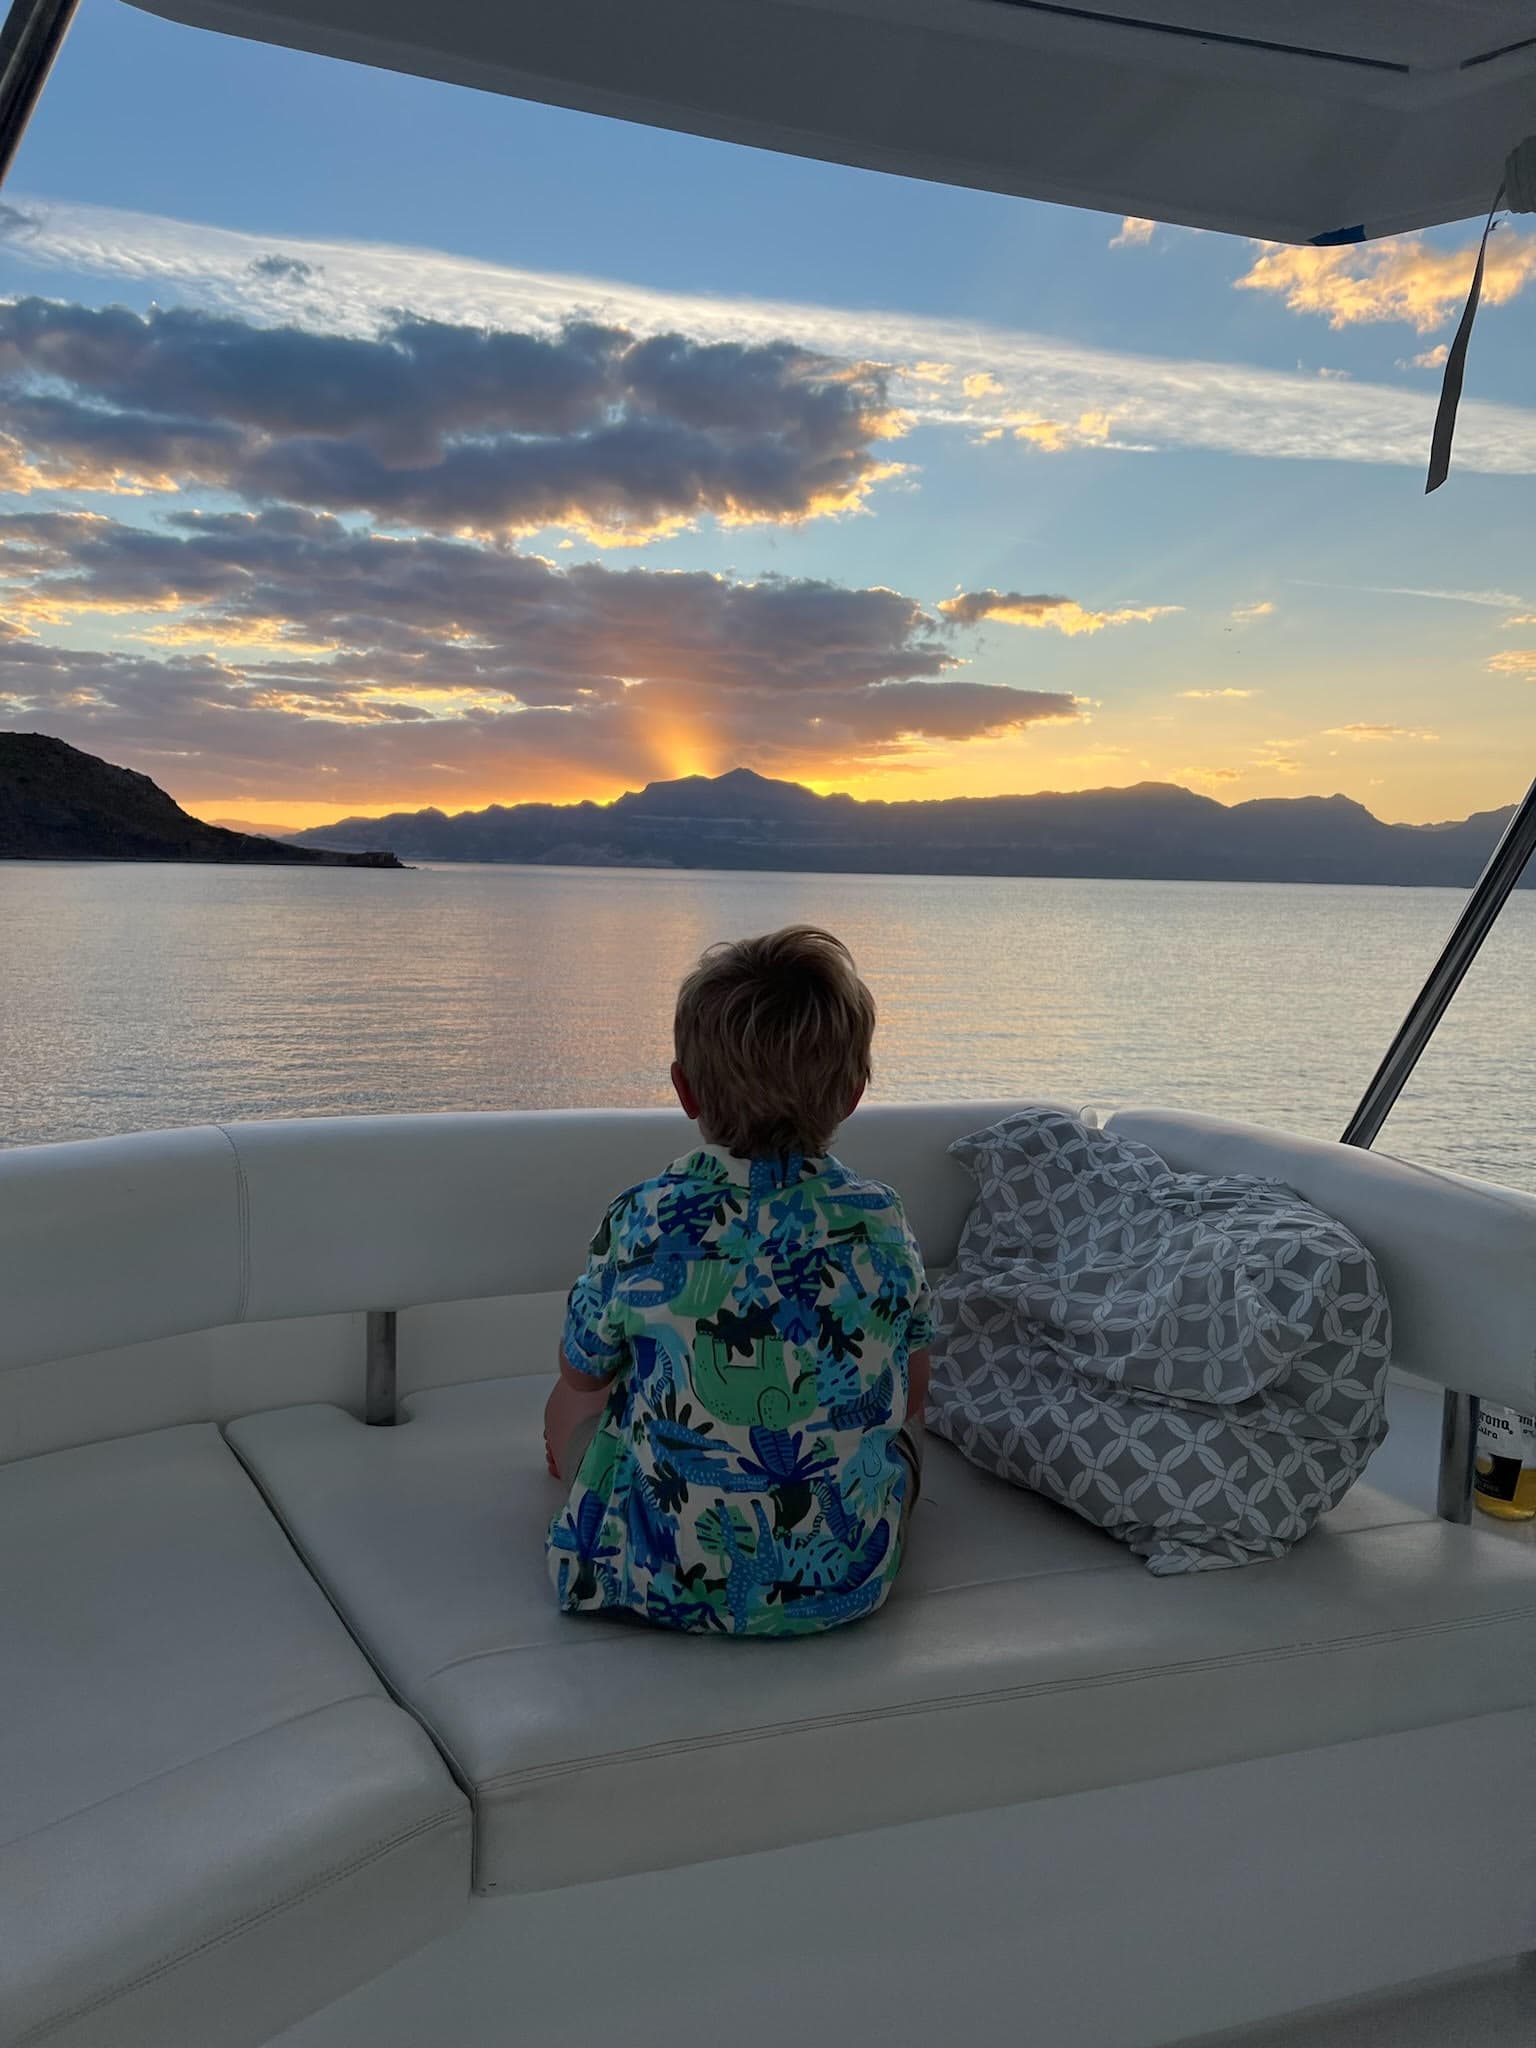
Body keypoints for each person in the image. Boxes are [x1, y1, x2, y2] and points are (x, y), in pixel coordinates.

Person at [544, 925, 931, 1635]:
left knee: (567, 1408)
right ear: (851, 1093)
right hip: (845, 1587)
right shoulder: (880, 1219)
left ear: (684, 1090)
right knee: (904, 1447)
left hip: (646, 1574)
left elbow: (580, 1373)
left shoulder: (645, 1216)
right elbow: (912, 1391)